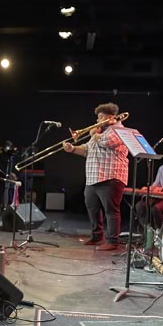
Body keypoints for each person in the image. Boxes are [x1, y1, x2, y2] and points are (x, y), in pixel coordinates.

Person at [63, 102, 128, 251]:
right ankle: (97, 236)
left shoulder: (118, 130)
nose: (97, 121)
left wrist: (95, 134)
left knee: (111, 210)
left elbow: (107, 143)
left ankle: (113, 241)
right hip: (93, 177)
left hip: (111, 177)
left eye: (100, 117)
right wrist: (72, 149)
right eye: (98, 118)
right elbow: (86, 150)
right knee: (92, 207)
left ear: (111, 117)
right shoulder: (99, 132)